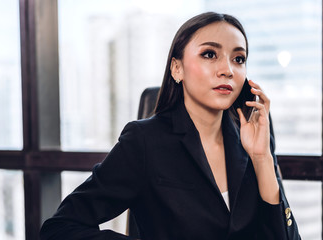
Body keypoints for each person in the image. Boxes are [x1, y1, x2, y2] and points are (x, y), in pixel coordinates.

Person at [40, 12, 301, 240]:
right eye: (210, 54)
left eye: (239, 59)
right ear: (177, 68)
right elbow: (60, 228)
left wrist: (262, 158)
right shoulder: (144, 141)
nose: (228, 70)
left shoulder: (252, 135)